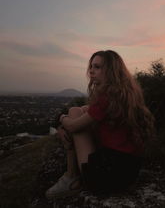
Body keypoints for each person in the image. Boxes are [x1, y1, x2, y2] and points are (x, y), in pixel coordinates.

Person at [46, 50, 155, 199]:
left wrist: (61, 118)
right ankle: (71, 177)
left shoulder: (107, 98)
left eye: (97, 67)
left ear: (111, 71)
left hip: (106, 174)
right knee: (79, 111)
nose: (91, 71)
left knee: (73, 112)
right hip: (129, 172)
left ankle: (71, 177)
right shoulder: (124, 95)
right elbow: (88, 113)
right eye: (91, 66)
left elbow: (73, 126)